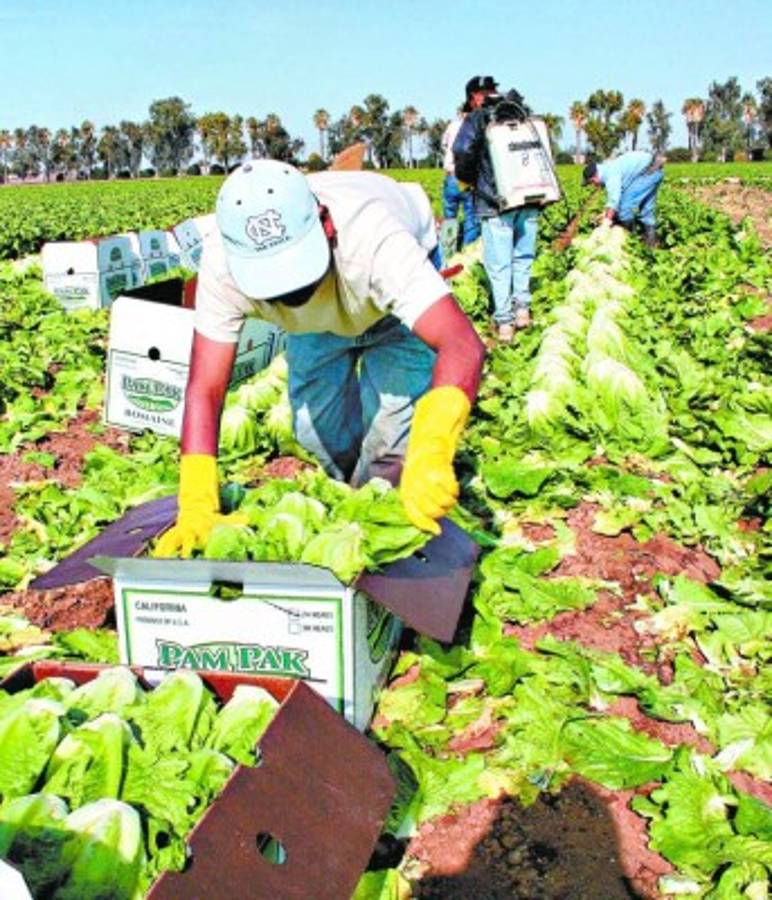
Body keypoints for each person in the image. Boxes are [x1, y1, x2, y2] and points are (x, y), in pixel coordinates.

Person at [155, 160, 485, 557]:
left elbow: (461, 344)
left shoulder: (377, 241)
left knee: (394, 447)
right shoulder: (222, 263)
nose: (287, 290)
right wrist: (195, 499)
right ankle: (354, 495)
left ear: (326, 227)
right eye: (270, 282)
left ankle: (383, 519)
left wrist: (432, 448)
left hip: (385, 304)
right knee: (315, 430)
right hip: (313, 325)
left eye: (294, 272)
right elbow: (205, 387)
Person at [453, 76, 540, 343]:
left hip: (495, 203)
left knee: (499, 264)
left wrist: (469, 180)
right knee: (523, 257)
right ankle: (523, 310)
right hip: (530, 199)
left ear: (476, 97)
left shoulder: (479, 118)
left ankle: (504, 323)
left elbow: (462, 151)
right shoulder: (522, 112)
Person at [582, 150, 665, 247]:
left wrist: (606, 224)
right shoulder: (609, 168)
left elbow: (614, 200)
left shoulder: (610, 174)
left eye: (592, 182)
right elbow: (620, 193)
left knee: (624, 209)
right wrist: (605, 213)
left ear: (595, 177)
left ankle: (630, 239)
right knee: (646, 207)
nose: (594, 185)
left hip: (648, 171)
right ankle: (651, 242)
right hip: (655, 168)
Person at [440, 104, 480, 251]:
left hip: (451, 177)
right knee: (471, 217)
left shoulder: (452, 125)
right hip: (467, 179)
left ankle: (447, 253)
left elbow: (444, 144)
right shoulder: (475, 127)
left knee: (450, 218)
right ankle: (466, 252)